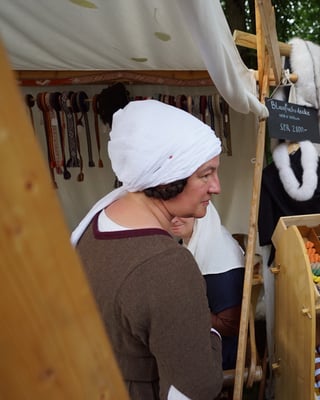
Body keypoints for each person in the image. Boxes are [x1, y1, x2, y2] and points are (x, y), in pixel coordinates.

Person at [71, 99, 223, 400]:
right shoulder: (167, 266)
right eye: (205, 174)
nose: (216, 187)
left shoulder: (97, 225)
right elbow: (195, 388)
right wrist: (211, 336)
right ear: (168, 177)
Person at [170, 201, 245, 371]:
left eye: (183, 212)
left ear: (201, 213)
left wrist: (184, 308)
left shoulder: (219, 255)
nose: (174, 219)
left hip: (219, 354)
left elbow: (230, 326)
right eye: (171, 212)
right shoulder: (197, 241)